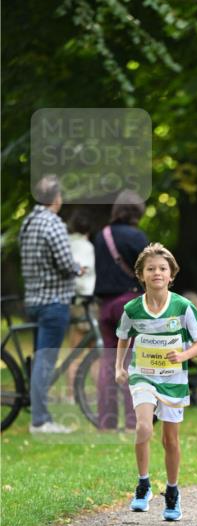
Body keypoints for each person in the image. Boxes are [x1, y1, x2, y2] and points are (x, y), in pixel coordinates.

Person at [115, 243, 197, 522]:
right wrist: (119, 367)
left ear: (171, 275)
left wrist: (182, 354)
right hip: (142, 375)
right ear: (141, 275)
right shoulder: (132, 308)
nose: (157, 273)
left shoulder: (182, 306)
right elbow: (123, 337)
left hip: (173, 379)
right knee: (144, 426)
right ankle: (143, 483)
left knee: (171, 439)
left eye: (162, 268)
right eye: (150, 269)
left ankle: (172, 491)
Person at [19, 175, 84, 434]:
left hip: (33, 300)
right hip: (54, 302)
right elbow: (65, 263)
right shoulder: (53, 224)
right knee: (46, 361)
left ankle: (38, 413)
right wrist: (79, 269)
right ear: (56, 198)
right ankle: (41, 421)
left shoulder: (27, 223)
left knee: (39, 360)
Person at [93, 190, 149, 429]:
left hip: (105, 305)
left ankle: (107, 420)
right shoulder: (136, 237)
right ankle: (132, 419)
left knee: (109, 362)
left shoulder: (100, 236)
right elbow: (149, 269)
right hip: (129, 302)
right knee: (131, 361)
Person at [66, 210, 96, 400]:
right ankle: (100, 394)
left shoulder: (66, 243)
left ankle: (71, 395)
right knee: (95, 352)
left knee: (74, 352)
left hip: (71, 301)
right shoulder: (86, 246)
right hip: (86, 301)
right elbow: (81, 273)